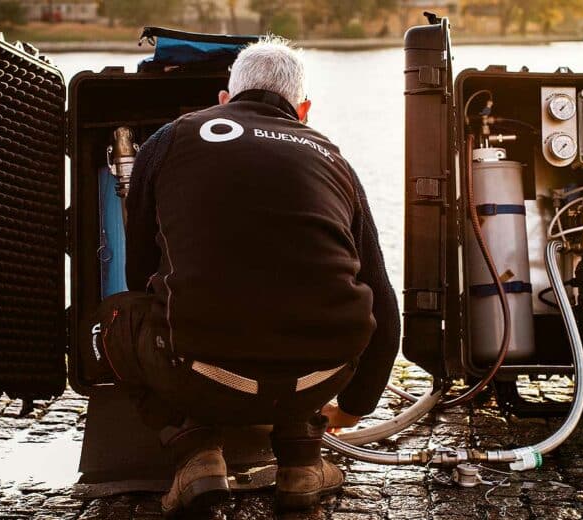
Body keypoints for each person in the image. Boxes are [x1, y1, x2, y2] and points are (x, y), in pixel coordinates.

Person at [100, 35, 399, 516]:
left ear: (224, 99)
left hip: (205, 378)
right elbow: (384, 305)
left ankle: (193, 450)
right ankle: (302, 460)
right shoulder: (334, 159)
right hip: (320, 379)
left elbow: (138, 275)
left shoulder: (171, 138)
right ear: (303, 109)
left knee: (115, 318)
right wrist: (354, 407)